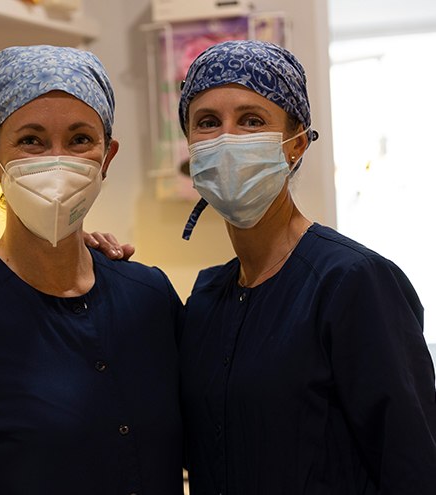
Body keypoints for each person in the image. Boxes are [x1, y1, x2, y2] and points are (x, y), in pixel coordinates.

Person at [0, 45, 184, 494]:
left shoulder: (149, 297)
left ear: (108, 156)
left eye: (80, 139)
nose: (57, 160)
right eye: (31, 140)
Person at [174, 40, 436, 494]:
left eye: (252, 120)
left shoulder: (352, 282)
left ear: (296, 144)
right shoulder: (206, 299)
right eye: (208, 123)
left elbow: (414, 467)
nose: (227, 139)